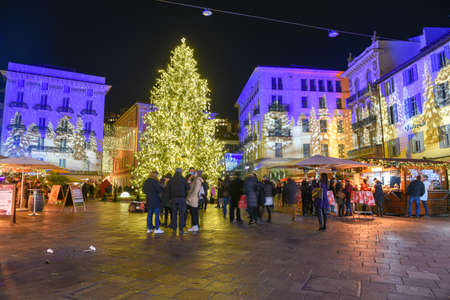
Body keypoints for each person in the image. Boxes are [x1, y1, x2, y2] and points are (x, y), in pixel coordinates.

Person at [168, 168, 190, 235]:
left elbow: (168, 190)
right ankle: (181, 229)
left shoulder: (171, 180)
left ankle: (174, 229)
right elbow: (188, 188)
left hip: (173, 199)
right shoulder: (183, 179)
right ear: (181, 172)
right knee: (181, 215)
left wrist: (170, 198)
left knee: (174, 214)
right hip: (182, 199)